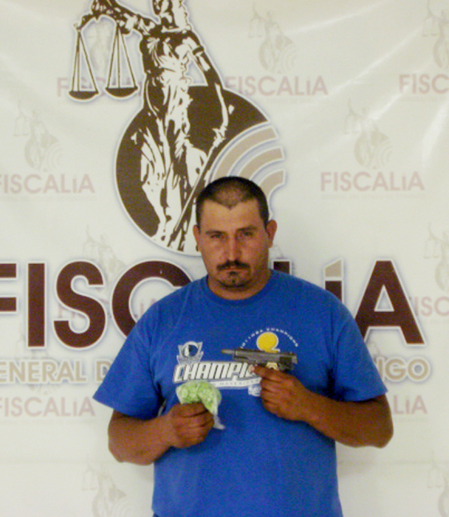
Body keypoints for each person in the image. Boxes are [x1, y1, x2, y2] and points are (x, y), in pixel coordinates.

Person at [94, 176, 393, 517]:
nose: (231, 253)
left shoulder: (323, 313)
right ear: (197, 238)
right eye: (217, 236)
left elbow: (379, 428)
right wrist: (165, 431)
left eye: (246, 234)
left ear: (270, 233)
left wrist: (308, 405)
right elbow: (119, 442)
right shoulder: (163, 320)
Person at [78, 0, 229, 250]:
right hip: (152, 110)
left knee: (178, 169)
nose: (158, 4)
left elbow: (212, 76)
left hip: (175, 108)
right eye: (155, 0)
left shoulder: (186, 37)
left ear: (175, 2)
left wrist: (222, 115)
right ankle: (164, 222)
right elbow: (115, 10)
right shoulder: (151, 30)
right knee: (146, 171)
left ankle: (183, 229)